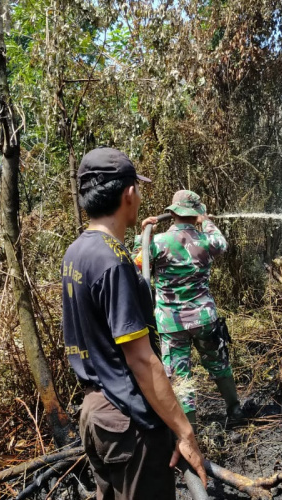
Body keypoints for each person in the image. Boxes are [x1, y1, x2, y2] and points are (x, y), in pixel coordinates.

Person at [61, 147, 207, 500]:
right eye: (138, 189)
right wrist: (185, 433)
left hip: (95, 415)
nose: (140, 197)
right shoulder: (114, 264)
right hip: (127, 421)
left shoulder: (77, 252)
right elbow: (140, 360)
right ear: (128, 194)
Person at [135, 190, 244, 431]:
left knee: (180, 376)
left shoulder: (158, 242)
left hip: (172, 324)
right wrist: (206, 222)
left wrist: (143, 233)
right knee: (218, 363)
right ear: (195, 214)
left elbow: (138, 263)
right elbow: (221, 243)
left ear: (173, 212)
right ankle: (235, 410)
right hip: (204, 318)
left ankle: (191, 432)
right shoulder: (207, 241)